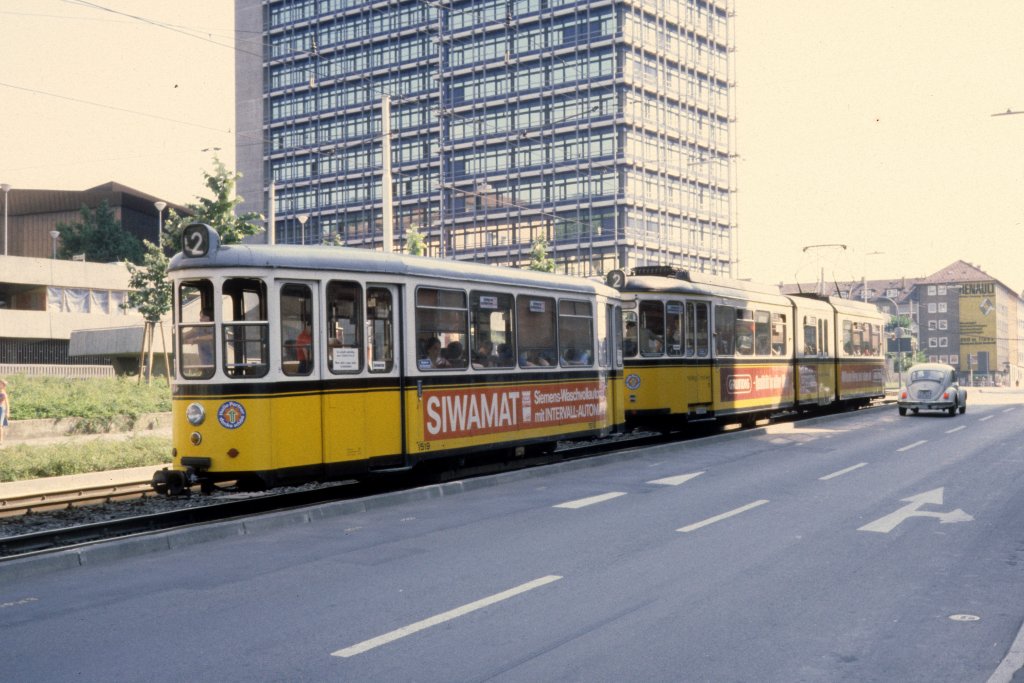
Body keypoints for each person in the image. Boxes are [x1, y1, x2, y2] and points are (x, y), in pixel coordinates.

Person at [0, 379, 9, 445]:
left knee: (0, 426)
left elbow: (7, 403)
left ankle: (1, 440)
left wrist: (7, 412)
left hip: (1, 409)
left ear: (3, 385)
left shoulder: (4, 393)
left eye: (1, 384)